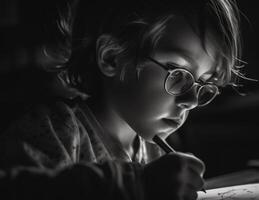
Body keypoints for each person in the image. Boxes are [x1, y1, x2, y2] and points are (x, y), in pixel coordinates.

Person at [0, 0, 244, 199]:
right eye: (178, 73)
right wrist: (136, 186)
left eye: (204, 83)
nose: (191, 100)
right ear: (112, 58)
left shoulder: (152, 150)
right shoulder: (55, 130)